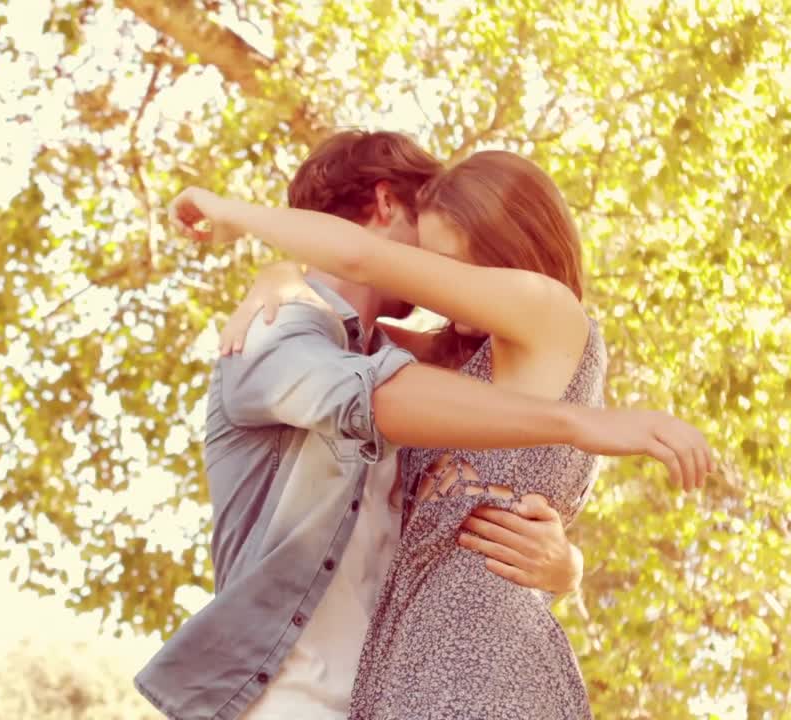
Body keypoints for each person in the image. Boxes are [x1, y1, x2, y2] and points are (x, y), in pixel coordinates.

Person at [134, 131, 712, 720]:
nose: (431, 286)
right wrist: (281, 275)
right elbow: (369, 362)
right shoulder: (399, 355)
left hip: (474, 672)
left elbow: (360, 266)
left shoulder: (544, 310)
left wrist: (229, 213)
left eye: (443, 266)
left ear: (500, 241)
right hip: (379, 687)